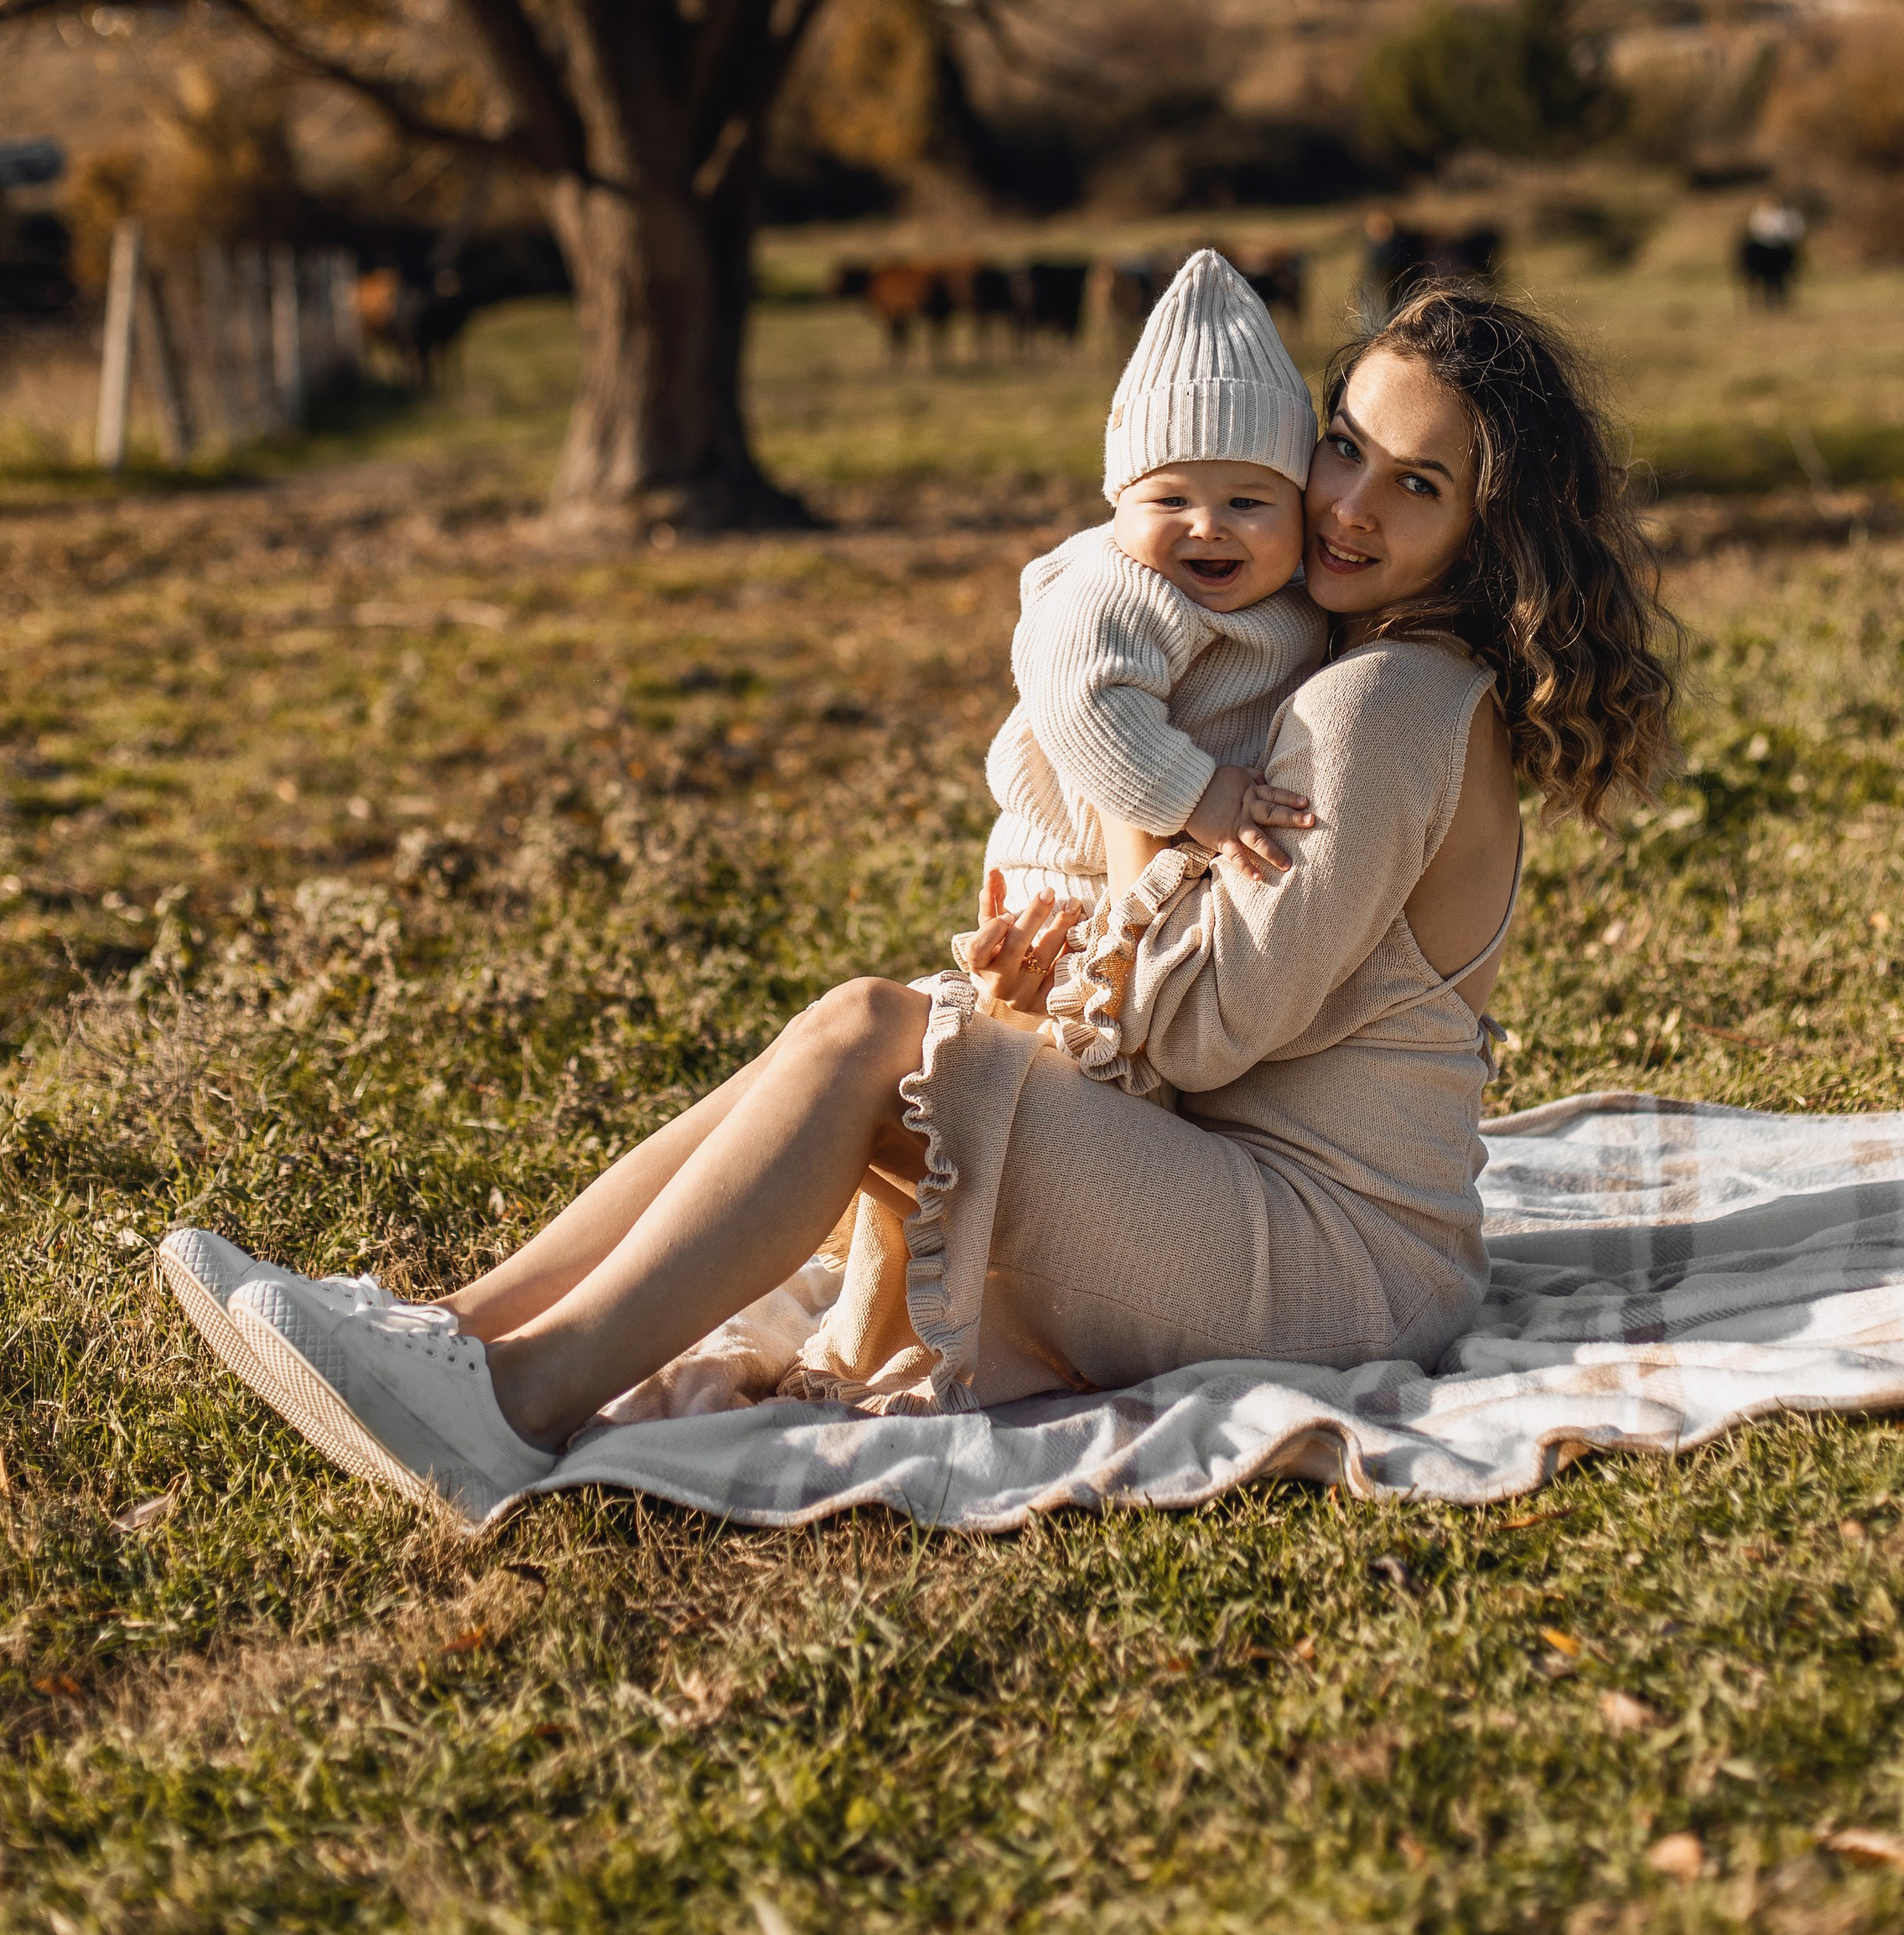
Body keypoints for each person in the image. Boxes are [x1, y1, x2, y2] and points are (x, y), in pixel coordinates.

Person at [161, 282, 1681, 1528]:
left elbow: (1214, 1030)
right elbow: (1227, 983)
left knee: (883, 1039)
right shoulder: (1363, 678)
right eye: (1345, 447)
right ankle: (454, 1328)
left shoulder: (1388, 712)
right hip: (1252, 1191)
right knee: (872, 1032)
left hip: (1336, 1261)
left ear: (1495, 527)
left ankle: (512, 1404)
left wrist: (1118, 803)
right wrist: (1070, 959)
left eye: (1419, 484)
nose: (1347, 505)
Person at [981, 245, 1326, 920]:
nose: (1206, 526)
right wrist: (1201, 796)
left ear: (1301, 508)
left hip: (1196, 860)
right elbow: (1085, 702)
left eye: (1247, 503)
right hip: (1068, 875)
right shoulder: (1115, 586)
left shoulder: (1300, 589)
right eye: (1170, 502)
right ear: (1118, 504)